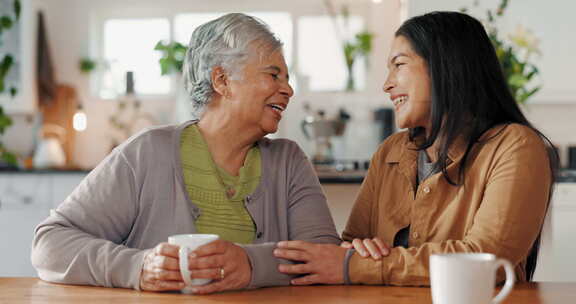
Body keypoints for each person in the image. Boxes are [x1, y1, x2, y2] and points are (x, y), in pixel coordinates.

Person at [31, 13, 339, 294]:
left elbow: (325, 255)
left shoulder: (289, 162)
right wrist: (137, 269)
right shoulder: (148, 152)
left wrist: (250, 264)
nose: (288, 89)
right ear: (222, 80)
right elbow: (50, 243)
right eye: (274, 75)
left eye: (286, 78)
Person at [274, 11, 557, 286]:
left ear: (445, 66)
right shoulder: (390, 152)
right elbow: (350, 245)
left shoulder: (515, 147)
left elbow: (487, 259)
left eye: (399, 65)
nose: (387, 84)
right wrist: (358, 251)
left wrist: (362, 265)